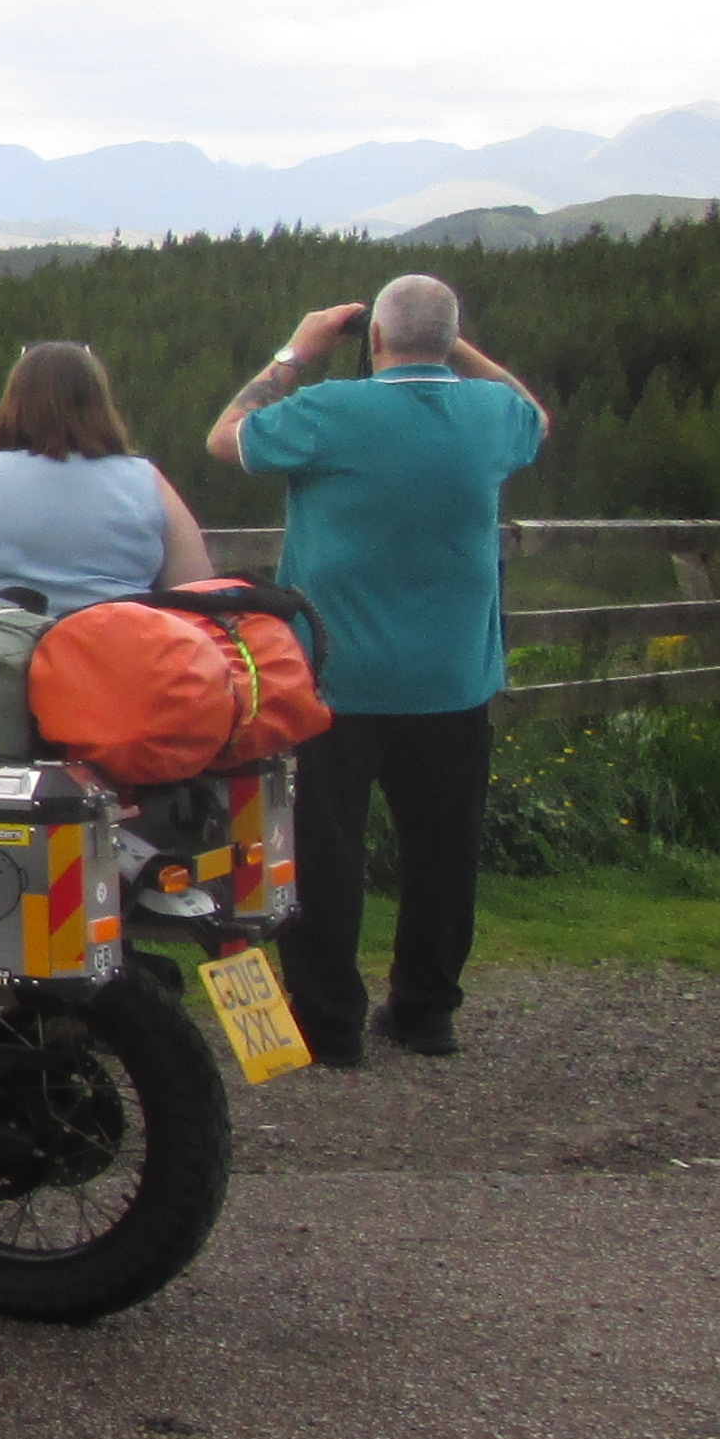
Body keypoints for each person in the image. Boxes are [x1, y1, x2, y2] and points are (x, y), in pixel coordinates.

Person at [204, 273, 547, 1068]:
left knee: (326, 851)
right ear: (448, 342)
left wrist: (299, 350)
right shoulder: (491, 416)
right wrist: (455, 347)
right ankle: (426, 1012)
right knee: (443, 851)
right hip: (452, 679)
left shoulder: (330, 411)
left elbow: (226, 437)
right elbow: (535, 413)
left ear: (377, 339)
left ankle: (329, 1025)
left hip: (335, 678)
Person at [0, 340, 218, 613]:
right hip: (116, 652)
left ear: (14, 401)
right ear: (100, 403)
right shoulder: (147, 480)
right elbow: (195, 590)